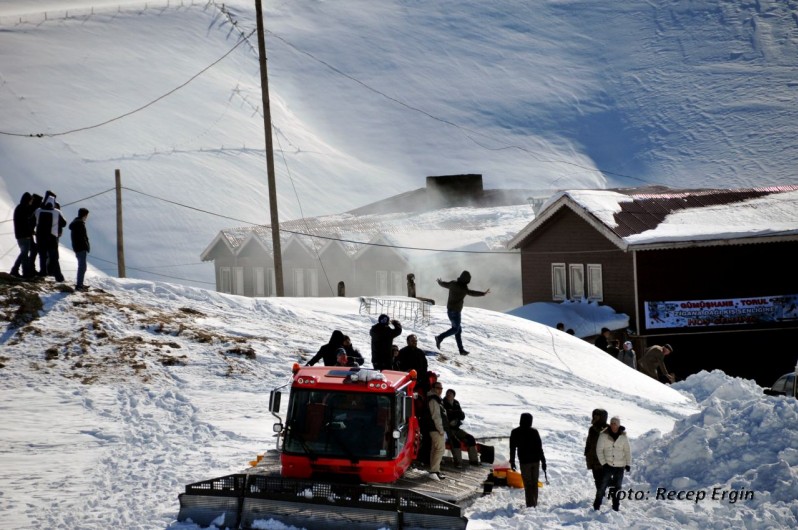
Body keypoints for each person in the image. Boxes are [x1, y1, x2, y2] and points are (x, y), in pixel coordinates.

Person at [434, 270, 490, 355]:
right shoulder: (464, 289)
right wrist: (483, 293)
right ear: (467, 280)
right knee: (456, 329)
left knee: (458, 330)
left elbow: (444, 284)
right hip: (456, 312)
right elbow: (472, 293)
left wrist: (440, 282)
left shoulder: (453, 283)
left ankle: (461, 350)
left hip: (450, 311)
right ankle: (439, 338)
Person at [593, 416, 632, 512]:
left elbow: (627, 451)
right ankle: (597, 505)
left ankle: (615, 507)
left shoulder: (623, 437)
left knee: (617, 487)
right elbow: (599, 450)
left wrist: (628, 463)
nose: (613, 425)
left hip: (620, 466)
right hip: (608, 465)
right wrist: (604, 463)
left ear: (618, 425)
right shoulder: (603, 435)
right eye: (612, 423)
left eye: (615, 424)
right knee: (602, 486)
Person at [509, 412, 547, 508]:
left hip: (524, 462)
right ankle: (534, 503)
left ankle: (530, 505)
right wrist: (543, 461)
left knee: (528, 484)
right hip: (535, 461)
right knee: (534, 483)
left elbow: (512, 448)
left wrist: (512, 461)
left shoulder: (515, 432)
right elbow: (539, 448)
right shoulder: (534, 432)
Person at [442, 388, 479, 467]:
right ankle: (458, 462)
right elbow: (446, 415)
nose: (448, 395)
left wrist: (454, 414)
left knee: (470, 438)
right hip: (447, 429)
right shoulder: (443, 402)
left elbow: (462, 416)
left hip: (456, 428)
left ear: (453, 396)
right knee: (455, 441)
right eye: (447, 393)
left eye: (450, 394)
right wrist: (455, 413)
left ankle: (474, 460)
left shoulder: (456, 403)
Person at [34, 194, 66, 282]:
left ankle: (42, 272)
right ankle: (58, 276)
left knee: (42, 256)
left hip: (40, 237)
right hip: (52, 238)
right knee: (54, 257)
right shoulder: (57, 212)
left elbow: (32, 221)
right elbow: (64, 224)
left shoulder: (38, 211)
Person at [426, 382, 447, 480]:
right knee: (440, 449)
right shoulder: (433, 399)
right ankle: (434, 471)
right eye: (438, 388)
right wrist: (441, 429)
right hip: (435, 428)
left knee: (435, 449)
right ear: (433, 388)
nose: (440, 390)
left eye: (441, 388)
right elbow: (436, 416)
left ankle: (435, 470)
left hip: (433, 428)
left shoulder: (435, 398)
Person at [10, 192, 34, 279]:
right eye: (31, 200)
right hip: (24, 235)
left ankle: (15, 270)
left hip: (19, 234)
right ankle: (26, 274)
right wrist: (30, 233)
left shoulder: (19, 207)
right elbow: (25, 223)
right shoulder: (24, 208)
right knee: (25, 256)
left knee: (23, 253)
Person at [584, 408, 608, 490]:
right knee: (597, 478)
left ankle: (602, 493)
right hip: (593, 458)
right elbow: (589, 442)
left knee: (602, 478)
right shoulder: (592, 429)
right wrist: (586, 452)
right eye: (594, 415)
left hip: (603, 459)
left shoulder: (607, 428)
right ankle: (600, 493)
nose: (595, 417)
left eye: (598, 416)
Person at [69, 207, 90, 291]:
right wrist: (86, 246)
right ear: (84, 215)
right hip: (81, 247)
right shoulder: (80, 224)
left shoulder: (75, 223)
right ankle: (79, 285)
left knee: (82, 266)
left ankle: (80, 284)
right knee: (82, 267)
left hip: (77, 247)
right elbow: (83, 237)